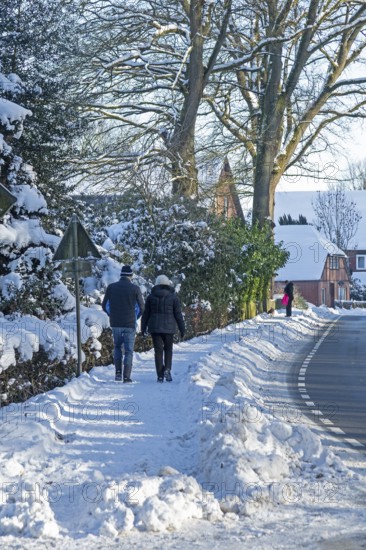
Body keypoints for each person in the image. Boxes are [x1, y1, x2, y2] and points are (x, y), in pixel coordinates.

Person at [102, 265, 144, 382]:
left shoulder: (111, 287)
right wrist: (135, 317)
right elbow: (142, 307)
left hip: (116, 323)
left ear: (121, 275)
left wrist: (112, 315)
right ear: (131, 276)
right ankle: (126, 376)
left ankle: (118, 373)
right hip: (130, 323)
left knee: (117, 347)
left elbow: (104, 305)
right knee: (129, 350)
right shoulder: (135, 288)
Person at [141, 274, 185, 383]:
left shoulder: (151, 297)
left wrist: (143, 328)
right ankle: (167, 369)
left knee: (158, 351)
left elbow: (146, 314)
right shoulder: (173, 297)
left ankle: (160, 375)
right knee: (168, 350)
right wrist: (182, 329)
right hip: (169, 328)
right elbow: (178, 314)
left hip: (155, 328)